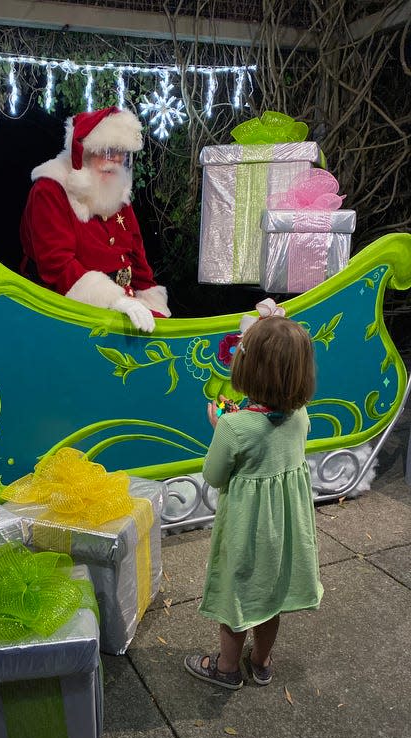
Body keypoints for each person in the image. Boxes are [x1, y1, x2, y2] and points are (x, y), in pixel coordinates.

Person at [184, 308, 323, 690]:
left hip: (247, 531)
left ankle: (226, 669)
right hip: (284, 531)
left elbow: (213, 475)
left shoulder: (233, 425)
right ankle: (261, 663)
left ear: (247, 369)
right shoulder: (300, 416)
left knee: (236, 597)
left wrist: (219, 429)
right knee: (269, 596)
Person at [19, 106, 170, 333]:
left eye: (122, 152)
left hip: (122, 311)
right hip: (67, 315)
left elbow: (137, 261)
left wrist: (158, 309)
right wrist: (114, 301)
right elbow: (58, 267)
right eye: (108, 151)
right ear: (85, 153)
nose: (116, 159)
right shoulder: (51, 190)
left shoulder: (116, 194)